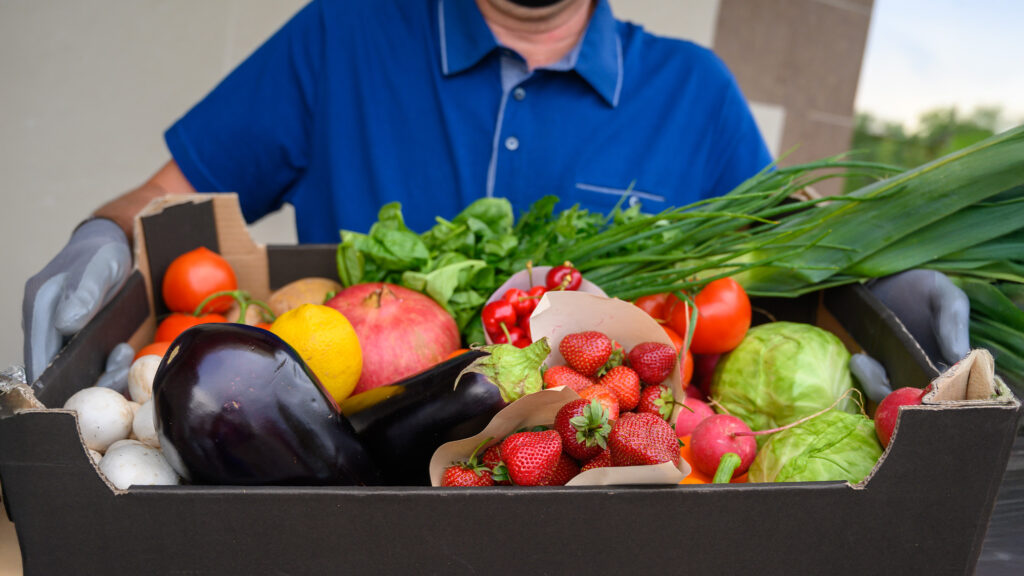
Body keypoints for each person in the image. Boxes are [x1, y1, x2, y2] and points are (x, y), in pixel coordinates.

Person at [22, 0, 968, 389]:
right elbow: (163, 201)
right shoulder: (342, 36)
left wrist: (881, 295)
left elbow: (795, 266)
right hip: (348, 510)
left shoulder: (695, 91)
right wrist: (100, 241)